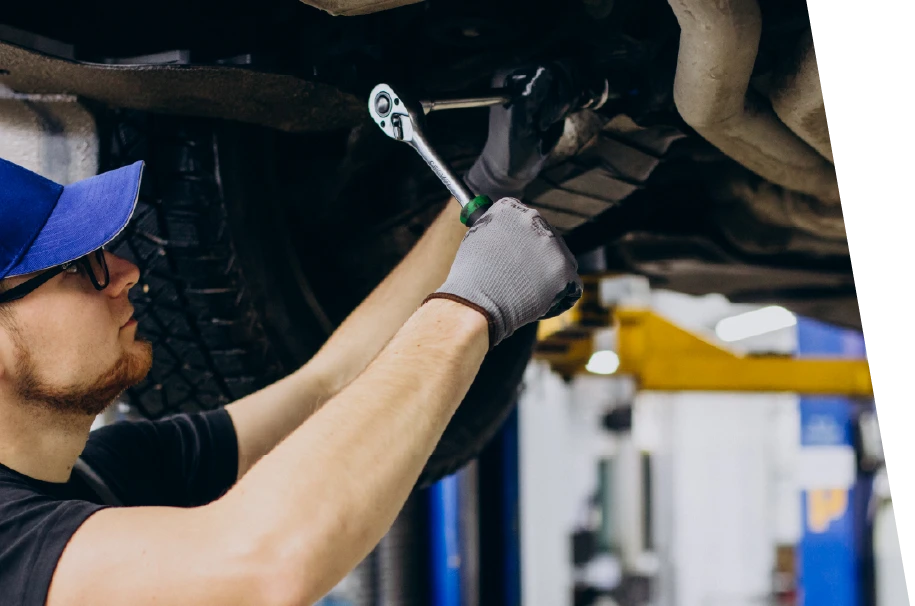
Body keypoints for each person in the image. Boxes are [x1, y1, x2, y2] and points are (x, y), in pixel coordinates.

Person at [0, 64, 582, 606]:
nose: (126, 271)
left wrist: (484, 187)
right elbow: (266, 564)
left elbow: (325, 385)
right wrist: (467, 311)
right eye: (80, 266)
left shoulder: (106, 473)